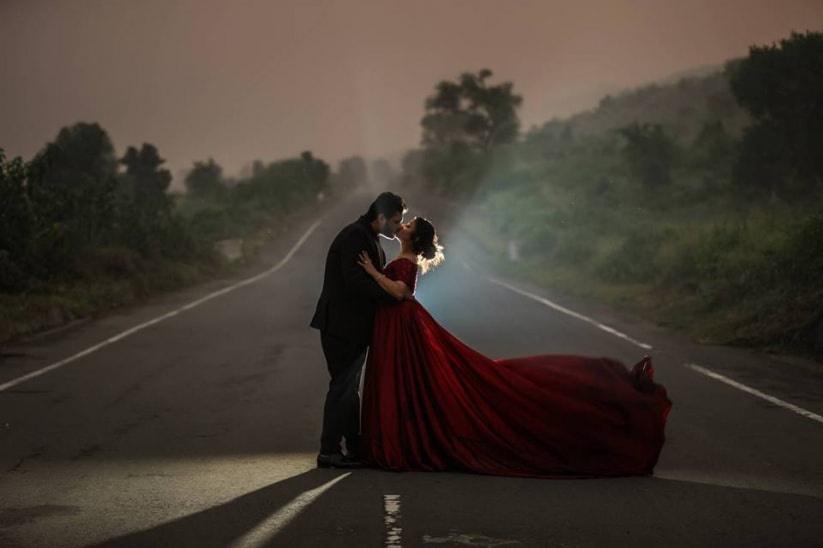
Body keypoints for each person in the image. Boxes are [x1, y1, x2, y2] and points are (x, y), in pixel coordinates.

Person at [355, 216, 673, 478]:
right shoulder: (403, 256)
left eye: (409, 225)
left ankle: (401, 441)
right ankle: (401, 438)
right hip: (400, 327)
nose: (403, 226)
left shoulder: (408, 262)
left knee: (453, 381)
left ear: (415, 238)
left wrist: (371, 272)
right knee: (420, 383)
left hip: (404, 325)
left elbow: (401, 292)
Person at [309, 192, 408, 469]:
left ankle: (354, 447)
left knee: (349, 390)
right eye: (396, 221)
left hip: (351, 327)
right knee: (342, 388)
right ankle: (328, 451)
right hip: (342, 327)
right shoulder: (355, 236)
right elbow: (354, 282)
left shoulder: (368, 237)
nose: (399, 228)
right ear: (381, 217)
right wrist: (391, 296)